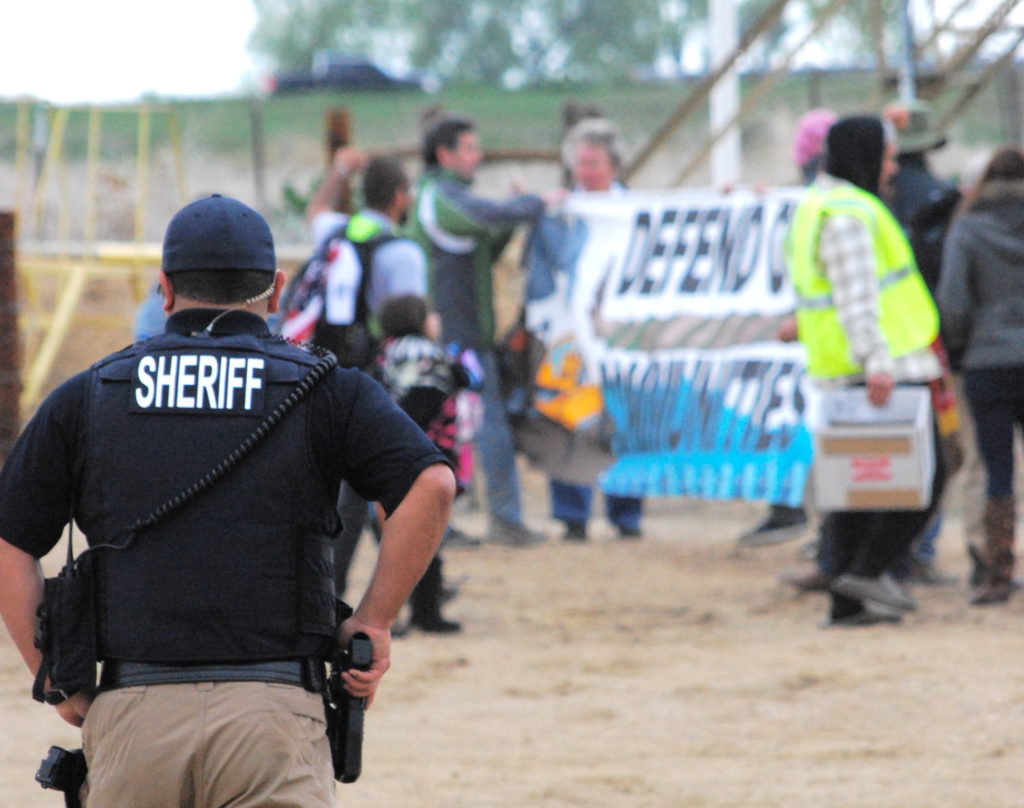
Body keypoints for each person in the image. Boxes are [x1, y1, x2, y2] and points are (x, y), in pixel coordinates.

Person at [0, 194, 455, 806]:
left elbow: (10, 541)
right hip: (274, 716)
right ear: (276, 291)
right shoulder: (328, 390)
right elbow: (432, 485)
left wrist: (51, 674)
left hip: (135, 713)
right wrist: (373, 619)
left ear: (163, 290)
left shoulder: (89, 394)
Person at [786, 115, 947, 627]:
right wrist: (877, 363)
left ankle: (847, 602)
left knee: (857, 491)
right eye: (885, 157)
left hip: (846, 367)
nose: (892, 168)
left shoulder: (818, 204)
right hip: (884, 366)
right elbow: (858, 298)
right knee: (929, 472)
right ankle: (872, 571)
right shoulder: (848, 212)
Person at [408, 114, 560, 547]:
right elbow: (486, 215)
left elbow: (485, 241)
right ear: (445, 154)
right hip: (457, 336)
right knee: (479, 427)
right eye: (470, 148)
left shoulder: (438, 197)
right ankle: (501, 520)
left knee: (449, 429)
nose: (479, 156)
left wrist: (516, 215)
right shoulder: (441, 198)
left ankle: (451, 523)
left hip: (458, 333)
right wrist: (534, 203)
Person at [736, 108, 836, 549]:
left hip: (817, 337)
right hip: (814, 335)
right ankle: (811, 518)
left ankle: (811, 518)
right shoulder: (822, 204)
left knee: (810, 425)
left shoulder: (820, 207)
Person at [545, 117, 644, 542]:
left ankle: (627, 513)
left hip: (620, 328)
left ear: (613, 164)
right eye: (579, 163)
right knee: (569, 414)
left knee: (623, 417)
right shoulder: (561, 212)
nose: (585, 171)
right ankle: (572, 514)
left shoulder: (636, 210)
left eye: (592, 162)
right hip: (568, 331)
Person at [937, 146, 1024, 605]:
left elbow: (953, 301)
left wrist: (963, 345)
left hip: (988, 362)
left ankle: (997, 572)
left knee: (996, 469)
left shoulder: (968, 227)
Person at [373, 293, 477, 632]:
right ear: (418, 320)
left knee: (393, 539)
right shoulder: (429, 356)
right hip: (421, 460)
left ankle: (413, 612)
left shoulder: (384, 352)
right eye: (431, 313)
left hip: (381, 459)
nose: (437, 319)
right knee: (424, 539)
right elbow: (431, 398)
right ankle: (422, 613)